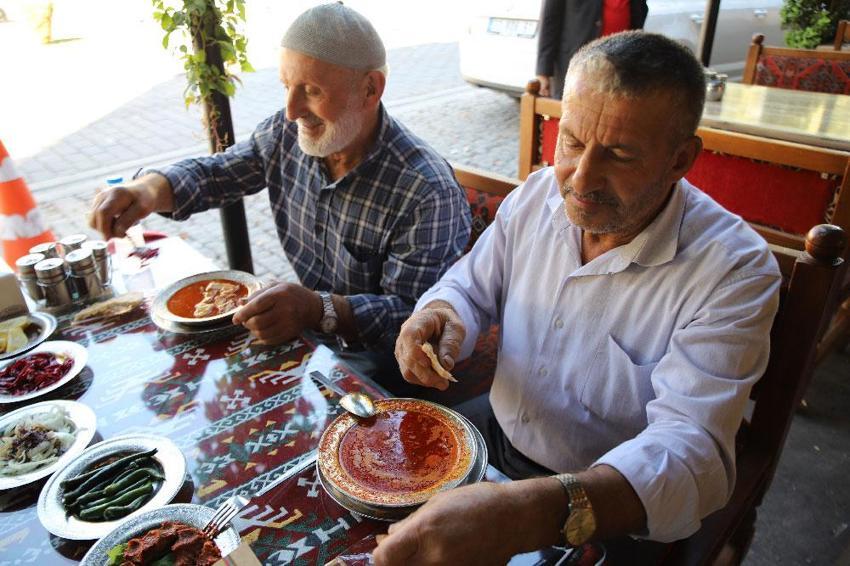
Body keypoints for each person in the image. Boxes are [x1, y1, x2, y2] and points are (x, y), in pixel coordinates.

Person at [382, 32, 781, 564]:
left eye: (619, 155)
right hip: (494, 437)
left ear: (681, 158)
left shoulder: (732, 270)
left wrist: (524, 514)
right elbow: (468, 287)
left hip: (615, 508)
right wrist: (440, 314)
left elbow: (690, 450)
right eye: (571, 141)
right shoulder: (536, 196)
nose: (581, 178)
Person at [88, 3, 471, 356]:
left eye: (312, 91)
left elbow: (417, 317)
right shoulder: (286, 136)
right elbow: (218, 174)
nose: (291, 111)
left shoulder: (425, 191)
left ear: (370, 89)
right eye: (287, 86)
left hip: (385, 368)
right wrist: (149, 189)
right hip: (312, 344)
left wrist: (317, 309)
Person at [536, 0, 648, 98]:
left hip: (621, 65)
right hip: (577, 63)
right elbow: (550, 18)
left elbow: (639, 15)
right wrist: (543, 72)